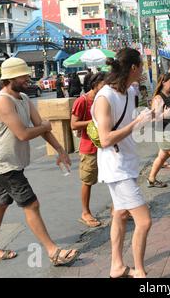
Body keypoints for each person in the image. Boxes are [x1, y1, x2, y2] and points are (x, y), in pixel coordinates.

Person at [0, 57, 79, 266]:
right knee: (31, 204)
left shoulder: (23, 97)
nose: (28, 78)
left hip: (10, 162)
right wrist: (45, 127)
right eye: (23, 75)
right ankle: (54, 252)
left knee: (1, 203)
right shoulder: (3, 101)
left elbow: (40, 125)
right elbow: (24, 134)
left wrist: (60, 149)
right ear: (10, 78)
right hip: (4, 164)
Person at [92, 48, 153, 278]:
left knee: (120, 214)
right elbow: (106, 138)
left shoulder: (128, 91)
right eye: (142, 66)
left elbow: (129, 122)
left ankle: (116, 266)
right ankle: (140, 272)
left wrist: (154, 116)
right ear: (134, 68)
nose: (144, 71)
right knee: (144, 221)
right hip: (116, 167)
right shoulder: (105, 97)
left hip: (127, 162)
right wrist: (137, 123)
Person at [71, 72, 106, 228]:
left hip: (104, 146)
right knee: (88, 181)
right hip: (89, 147)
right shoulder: (82, 101)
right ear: (95, 84)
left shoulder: (103, 100)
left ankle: (117, 208)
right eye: (104, 84)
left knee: (112, 177)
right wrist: (94, 121)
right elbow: (74, 124)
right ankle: (85, 212)